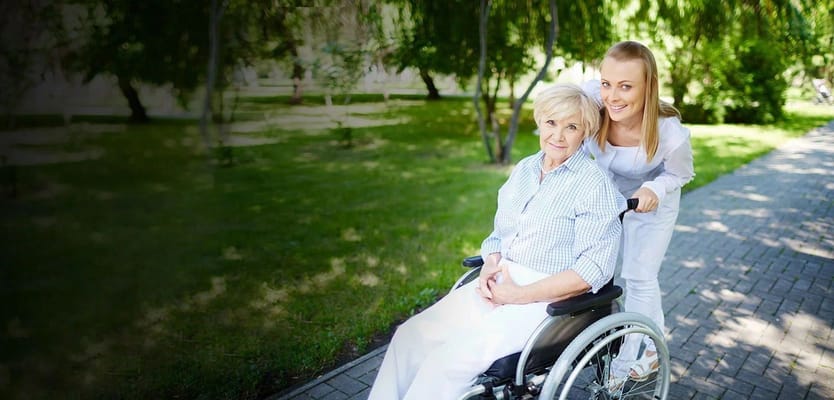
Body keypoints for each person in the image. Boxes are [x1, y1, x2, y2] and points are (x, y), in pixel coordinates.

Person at [367, 83, 625, 400]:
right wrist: (490, 264)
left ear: (584, 131)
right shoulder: (525, 169)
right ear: (540, 122)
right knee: (410, 337)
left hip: (549, 299)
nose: (558, 136)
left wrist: (519, 295)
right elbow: (499, 234)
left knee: (448, 362)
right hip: (499, 283)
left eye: (571, 126)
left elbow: (591, 272)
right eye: (551, 123)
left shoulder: (593, 184)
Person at [581, 40, 695, 386]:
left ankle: (630, 356)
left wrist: (654, 189)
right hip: (608, 193)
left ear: (648, 87)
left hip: (653, 198)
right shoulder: (591, 101)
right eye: (606, 83)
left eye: (626, 86)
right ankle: (651, 343)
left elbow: (680, 174)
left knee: (639, 275)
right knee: (592, 266)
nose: (612, 96)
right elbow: (557, 118)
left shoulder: (669, 133)